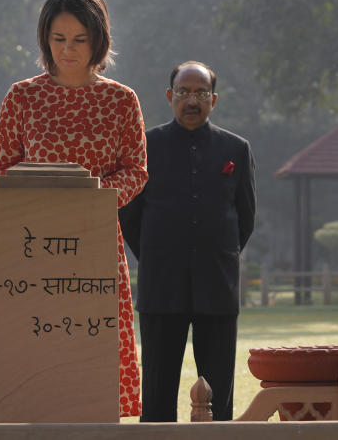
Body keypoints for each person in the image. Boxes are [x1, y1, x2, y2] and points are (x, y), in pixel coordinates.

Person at [0, 0, 147, 418]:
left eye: (79, 40)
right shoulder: (22, 96)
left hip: (95, 242)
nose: (68, 50)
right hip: (36, 246)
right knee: (40, 355)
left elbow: (136, 170)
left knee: (94, 356)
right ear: (45, 40)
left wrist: (92, 199)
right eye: (58, 39)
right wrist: (44, 200)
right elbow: (2, 167)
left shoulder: (120, 100)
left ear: (99, 40)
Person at [118, 61, 256, 422]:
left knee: (218, 398)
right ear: (169, 96)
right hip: (162, 287)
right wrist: (157, 255)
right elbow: (129, 217)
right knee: (158, 395)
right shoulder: (145, 146)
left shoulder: (236, 150)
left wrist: (214, 254)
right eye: (183, 92)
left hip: (217, 287)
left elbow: (246, 218)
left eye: (200, 93)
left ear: (214, 99)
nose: (191, 100)